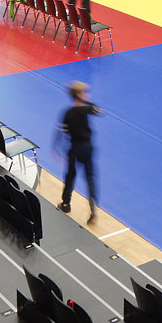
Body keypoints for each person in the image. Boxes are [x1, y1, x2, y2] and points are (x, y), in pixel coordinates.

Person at [58, 81, 102, 221]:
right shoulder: (86, 110)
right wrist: (85, 101)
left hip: (74, 148)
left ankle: (66, 204)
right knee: (90, 177)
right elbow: (99, 111)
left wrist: (58, 149)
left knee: (70, 176)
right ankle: (93, 208)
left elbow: (63, 131)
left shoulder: (68, 113)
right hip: (87, 148)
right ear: (80, 95)